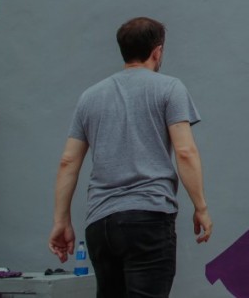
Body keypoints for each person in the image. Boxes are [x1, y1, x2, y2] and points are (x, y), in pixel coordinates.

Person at [48, 17, 212, 298]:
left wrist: (61, 220)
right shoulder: (169, 88)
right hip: (147, 217)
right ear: (157, 51)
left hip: (100, 224)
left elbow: (68, 162)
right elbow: (185, 152)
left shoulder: (89, 97)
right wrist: (201, 207)